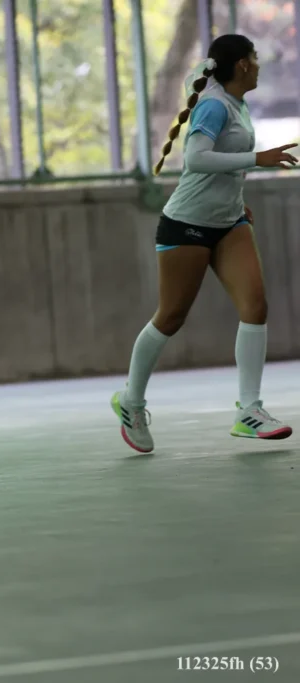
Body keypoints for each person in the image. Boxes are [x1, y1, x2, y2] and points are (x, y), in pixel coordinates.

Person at [111, 34, 297, 454]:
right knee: (171, 317)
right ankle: (131, 402)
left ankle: (249, 411)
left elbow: (224, 163)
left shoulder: (236, 103)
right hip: (187, 224)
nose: (259, 64)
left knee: (255, 306)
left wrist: (234, 200)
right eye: (255, 57)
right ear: (243, 65)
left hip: (230, 223)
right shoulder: (214, 105)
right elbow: (196, 159)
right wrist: (259, 159)